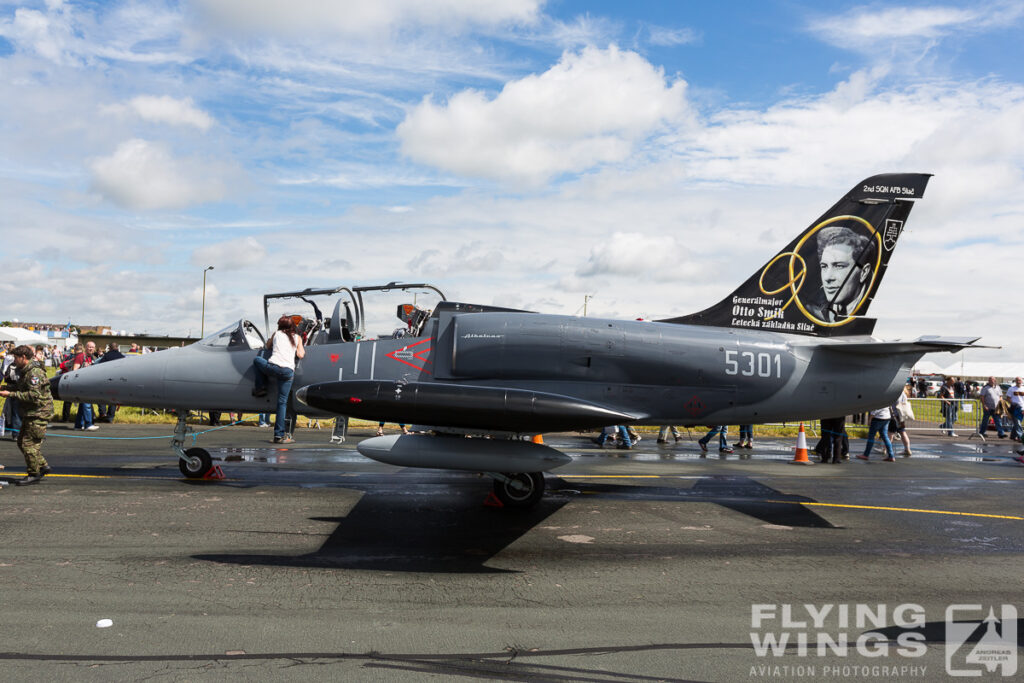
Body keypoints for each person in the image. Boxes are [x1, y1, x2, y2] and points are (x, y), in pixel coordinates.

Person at [0, 345, 54, 485]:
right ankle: (42, 465)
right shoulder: (26, 371)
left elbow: (34, 395)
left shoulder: (34, 372)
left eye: (16, 358)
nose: (14, 361)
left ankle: (33, 473)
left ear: (23, 357)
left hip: (38, 413)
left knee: (28, 444)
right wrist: (5, 388)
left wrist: (10, 394)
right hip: (31, 412)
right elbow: (22, 387)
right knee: (21, 442)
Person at [253, 316, 306, 444]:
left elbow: (267, 346)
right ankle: (278, 436)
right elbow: (301, 354)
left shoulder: (276, 334)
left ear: (280, 326)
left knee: (257, 360)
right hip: (288, 372)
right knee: (282, 403)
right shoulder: (297, 338)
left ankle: (260, 388)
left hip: (274, 368)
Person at [806, 225, 875, 323]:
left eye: (839, 266)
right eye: (824, 266)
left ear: (863, 272)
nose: (827, 278)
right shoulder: (812, 309)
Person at [95, 342, 125, 422]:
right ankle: (110, 417)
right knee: (113, 398)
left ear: (110, 348)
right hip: (117, 380)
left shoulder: (107, 356)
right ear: (117, 347)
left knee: (102, 397)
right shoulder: (122, 356)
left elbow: (100, 366)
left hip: (106, 379)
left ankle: (103, 413)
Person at [73, 341, 99, 431]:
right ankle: (88, 424)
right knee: (87, 403)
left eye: (92, 347)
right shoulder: (81, 357)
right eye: (89, 347)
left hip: (89, 384)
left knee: (82, 405)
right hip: (81, 384)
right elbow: (75, 370)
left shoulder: (93, 358)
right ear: (86, 347)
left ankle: (78, 425)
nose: (91, 349)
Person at [891, 385, 914, 456]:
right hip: (901, 416)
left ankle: (885, 449)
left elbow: (897, 404)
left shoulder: (898, 393)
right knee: (902, 432)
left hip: (896, 415)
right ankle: (907, 449)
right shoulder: (904, 394)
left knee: (890, 433)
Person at [1007, 377, 1024, 442]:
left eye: (1019, 380)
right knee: (1018, 423)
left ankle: (1013, 435)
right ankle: (1021, 437)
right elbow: (1008, 398)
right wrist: (1013, 403)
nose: (1018, 381)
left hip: (1022, 408)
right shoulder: (1011, 389)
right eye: (1017, 380)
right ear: (1015, 381)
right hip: (1015, 408)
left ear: (1022, 381)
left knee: (1018, 423)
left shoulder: (1023, 388)